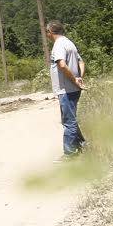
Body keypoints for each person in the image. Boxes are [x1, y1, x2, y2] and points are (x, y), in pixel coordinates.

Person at [46, 20, 87, 155]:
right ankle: (82, 145)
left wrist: (75, 80)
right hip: (73, 88)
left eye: (47, 32)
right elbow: (81, 61)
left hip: (66, 89)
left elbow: (62, 65)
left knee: (69, 122)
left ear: (50, 32)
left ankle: (69, 154)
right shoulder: (69, 43)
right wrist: (79, 77)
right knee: (70, 120)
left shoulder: (58, 45)